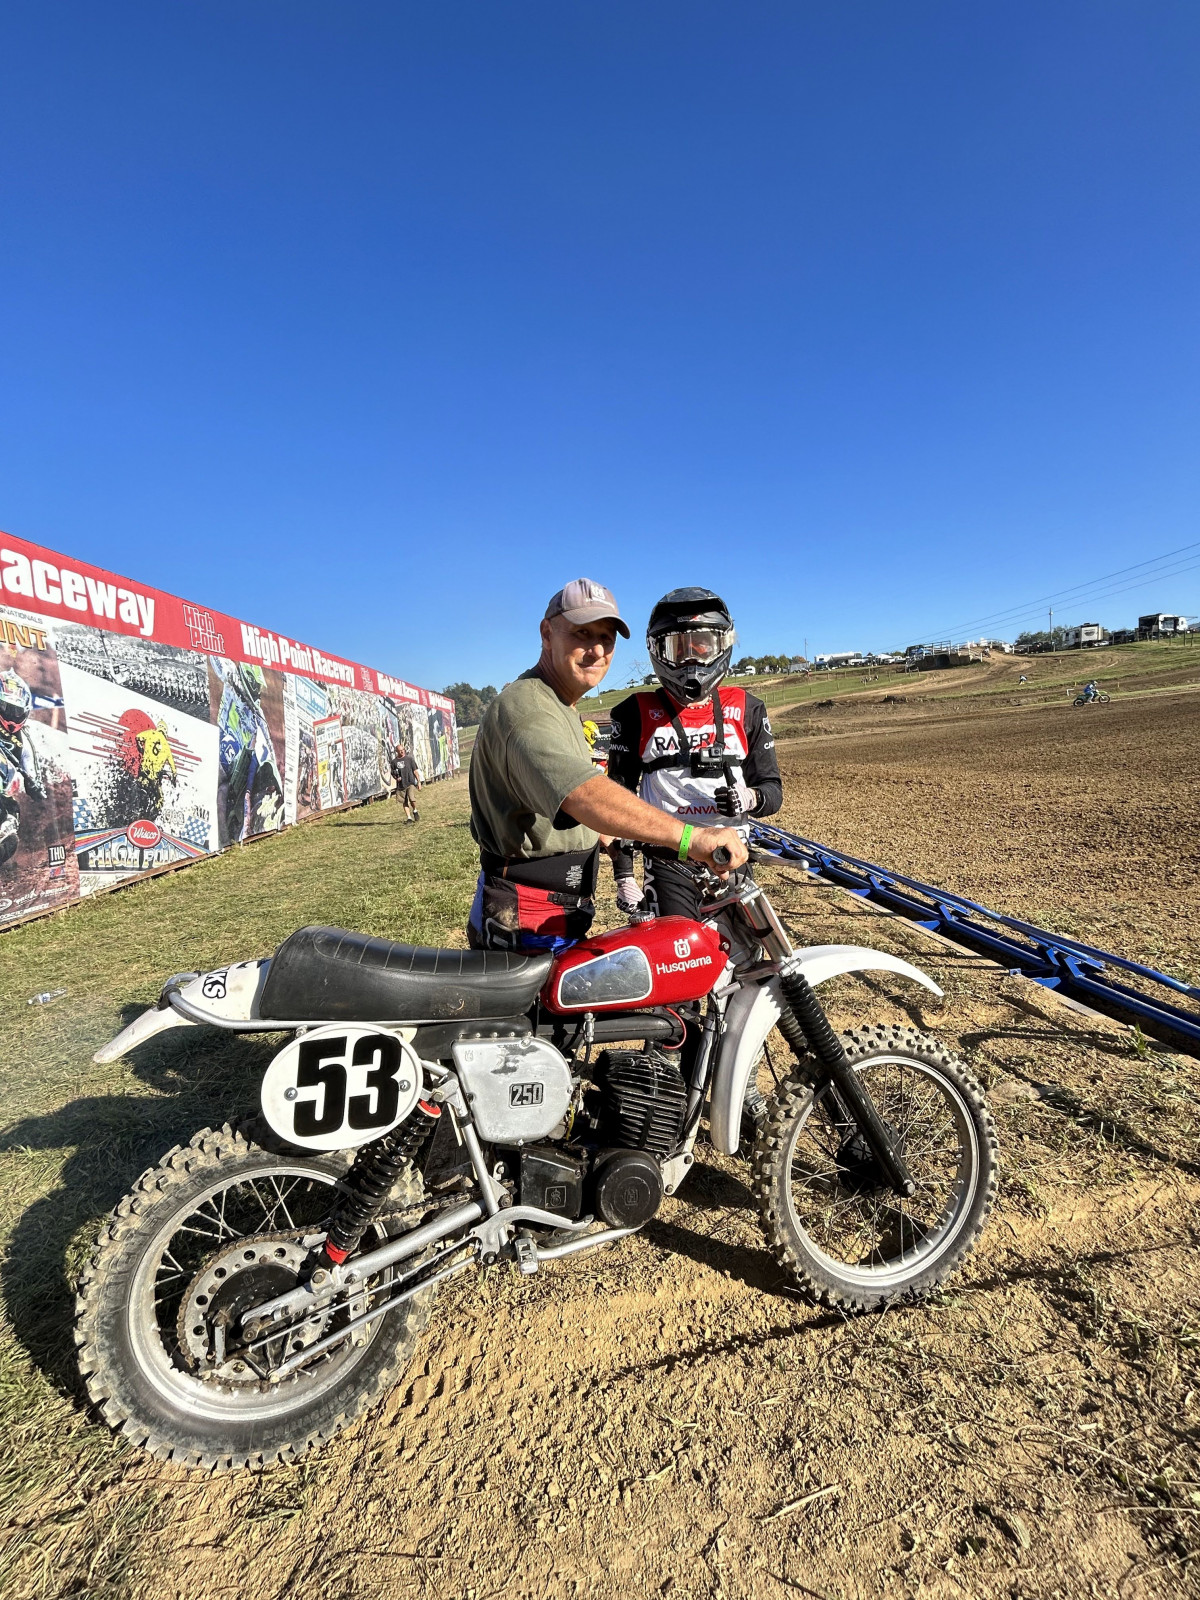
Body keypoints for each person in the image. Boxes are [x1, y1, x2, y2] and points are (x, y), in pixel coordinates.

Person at [467, 578, 747, 951]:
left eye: (607, 638)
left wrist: (607, 841)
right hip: (523, 917)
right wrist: (692, 838)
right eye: (582, 634)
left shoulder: (557, 703)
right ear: (547, 634)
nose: (597, 650)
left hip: (549, 907)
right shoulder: (528, 709)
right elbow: (583, 793)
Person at [607, 588, 782, 921]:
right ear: (657, 651)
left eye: (702, 647)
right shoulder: (634, 713)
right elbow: (617, 801)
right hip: (668, 864)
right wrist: (624, 876)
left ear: (722, 645)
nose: (690, 661)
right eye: (677, 648)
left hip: (731, 857)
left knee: (749, 951)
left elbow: (773, 790)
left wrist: (749, 798)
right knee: (680, 951)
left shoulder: (748, 708)